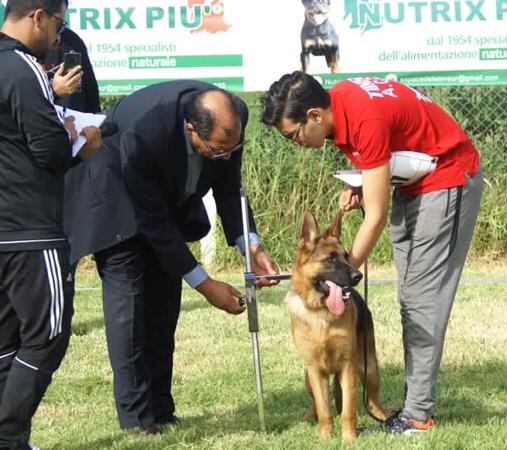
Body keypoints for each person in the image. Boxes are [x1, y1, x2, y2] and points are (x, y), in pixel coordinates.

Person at [262, 72, 483, 435]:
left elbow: (376, 216)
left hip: (447, 177)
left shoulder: (363, 117)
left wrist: (342, 273)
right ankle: (415, 406)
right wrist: (360, 184)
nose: (295, 143)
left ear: (315, 115)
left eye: (294, 135)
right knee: (410, 296)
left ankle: (417, 416)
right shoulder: (341, 104)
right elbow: (381, 159)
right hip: (413, 184)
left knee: (421, 298)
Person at [63, 80, 280, 435]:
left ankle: (162, 409)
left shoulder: (230, 120)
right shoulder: (145, 131)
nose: (226, 156)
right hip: (115, 191)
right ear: (191, 129)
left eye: (231, 148)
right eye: (218, 149)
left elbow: (229, 187)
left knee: (164, 309)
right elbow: (153, 222)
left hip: (167, 196)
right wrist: (205, 283)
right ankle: (136, 419)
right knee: (129, 307)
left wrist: (251, 246)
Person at [0, 0, 101, 448]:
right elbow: (50, 152)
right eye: (58, 24)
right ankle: (9, 435)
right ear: (38, 16)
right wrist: (83, 143)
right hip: (31, 228)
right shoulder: (26, 69)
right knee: (49, 335)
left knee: (6, 340)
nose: (59, 37)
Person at [43, 0, 101, 114]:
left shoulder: (72, 40)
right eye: (57, 25)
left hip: (75, 124)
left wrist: (96, 120)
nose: (57, 38)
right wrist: (53, 92)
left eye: (61, 26)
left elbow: (90, 89)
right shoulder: (16, 52)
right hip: (40, 126)